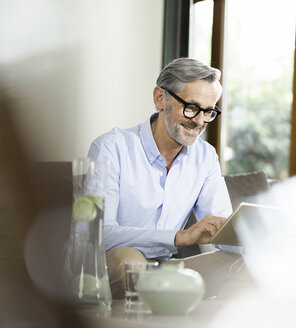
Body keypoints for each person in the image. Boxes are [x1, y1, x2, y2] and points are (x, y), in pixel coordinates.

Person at [88, 58, 242, 299]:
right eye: (191, 107)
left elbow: (221, 232)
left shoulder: (205, 157)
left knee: (241, 264)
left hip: (167, 271)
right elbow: (99, 234)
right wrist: (179, 237)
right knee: (132, 263)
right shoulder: (111, 148)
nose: (200, 121)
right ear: (160, 98)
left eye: (208, 111)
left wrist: (256, 239)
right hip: (116, 262)